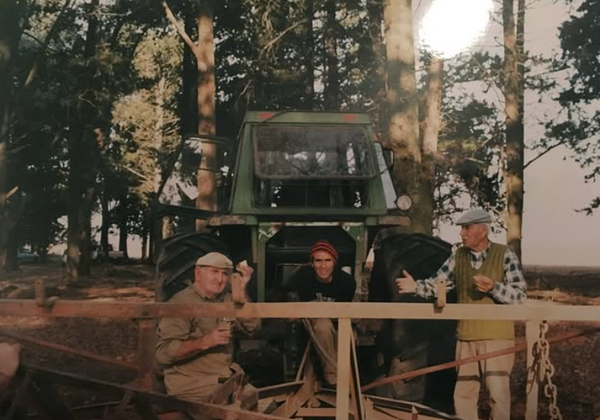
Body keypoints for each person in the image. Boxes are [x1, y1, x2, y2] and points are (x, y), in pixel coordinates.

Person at [396, 209, 527, 420]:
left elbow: (519, 297)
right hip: (465, 338)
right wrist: (415, 287)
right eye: (462, 229)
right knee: (464, 396)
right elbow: (438, 283)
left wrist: (494, 288)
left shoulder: (504, 254)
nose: (462, 233)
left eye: (467, 228)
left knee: (498, 396)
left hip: (497, 339)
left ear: (483, 230)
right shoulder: (458, 256)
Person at [155, 252, 260, 404]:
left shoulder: (226, 298)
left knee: (266, 406)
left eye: (224, 274)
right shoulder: (182, 303)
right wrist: (206, 341)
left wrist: (242, 289)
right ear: (198, 273)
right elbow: (163, 353)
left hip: (227, 379)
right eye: (214, 272)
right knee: (249, 412)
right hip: (193, 384)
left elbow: (253, 327)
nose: (220, 279)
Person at [285, 240, 356, 386]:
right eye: (318, 261)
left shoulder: (346, 282)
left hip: (338, 317)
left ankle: (346, 377)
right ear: (312, 263)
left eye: (328, 260)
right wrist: (293, 310)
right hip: (313, 319)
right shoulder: (301, 277)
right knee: (323, 326)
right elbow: (285, 294)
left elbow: (343, 311)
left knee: (346, 334)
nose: (323, 266)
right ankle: (333, 376)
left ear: (334, 262)